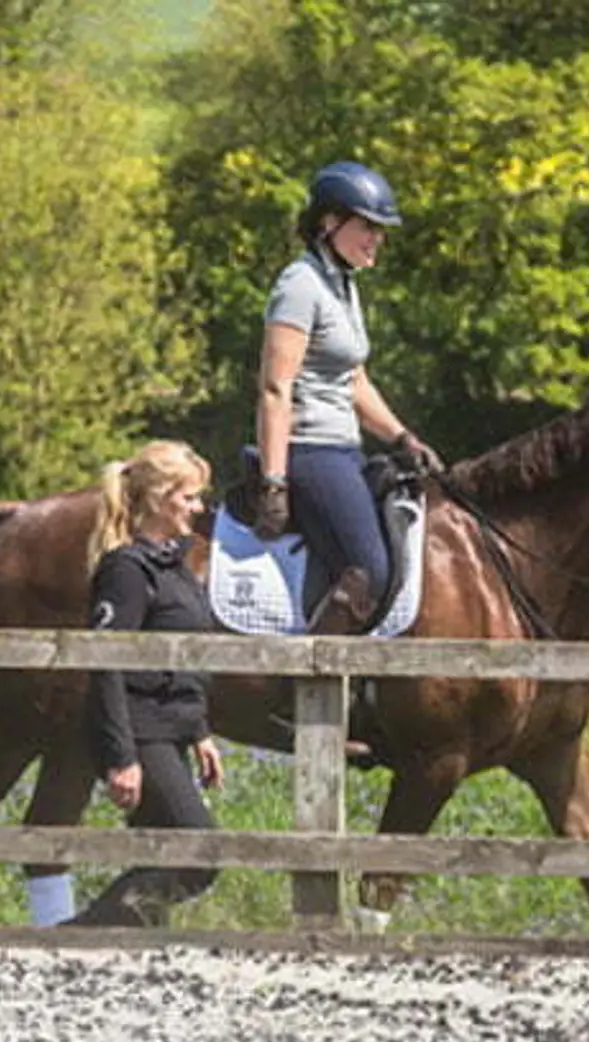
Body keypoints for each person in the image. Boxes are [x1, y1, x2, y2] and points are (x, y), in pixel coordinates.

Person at [253, 159, 441, 635]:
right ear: (329, 222)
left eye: (382, 230)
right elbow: (276, 388)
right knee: (369, 572)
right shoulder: (300, 286)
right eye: (368, 227)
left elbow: (354, 381)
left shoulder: (343, 286)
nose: (377, 239)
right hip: (309, 449)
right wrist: (273, 482)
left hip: (345, 449)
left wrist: (401, 437)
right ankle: (310, 672)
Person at [61, 440, 225, 928]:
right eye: (189, 498)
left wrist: (199, 732)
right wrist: (121, 756)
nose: (198, 509)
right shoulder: (127, 570)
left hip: (171, 729)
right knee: (199, 853)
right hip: (141, 730)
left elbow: (184, 658)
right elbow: (106, 663)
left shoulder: (174, 567)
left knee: (162, 854)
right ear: (157, 499)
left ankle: (114, 945)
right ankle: (82, 935)